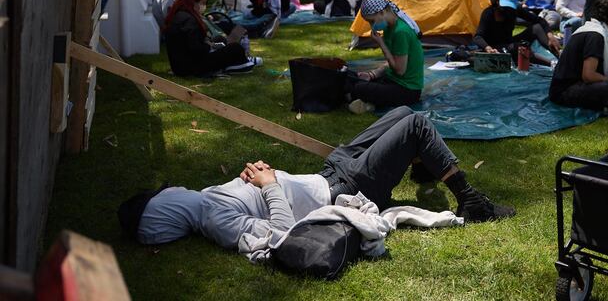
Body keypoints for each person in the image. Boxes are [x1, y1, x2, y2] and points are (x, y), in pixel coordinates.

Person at [118, 107, 516, 257]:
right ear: (166, 210)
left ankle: (426, 168)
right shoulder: (213, 220)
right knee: (415, 125)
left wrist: (255, 178)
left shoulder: (206, 200)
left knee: (400, 112)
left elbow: (257, 198)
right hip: (346, 189)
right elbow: (279, 234)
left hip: (331, 173)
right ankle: (471, 201)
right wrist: (270, 184)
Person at [347, 0, 424, 113]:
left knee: (359, 87)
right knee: (352, 76)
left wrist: (381, 43)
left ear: (382, 12)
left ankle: (365, 102)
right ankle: (367, 101)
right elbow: (392, 62)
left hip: (407, 91)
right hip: (393, 80)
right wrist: (372, 75)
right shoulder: (389, 27)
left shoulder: (400, 32)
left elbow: (400, 70)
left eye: (372, 21)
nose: (372, 26)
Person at [164, 0, 259, 76]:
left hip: (181, 65)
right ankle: (241, 61)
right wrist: (210, 47)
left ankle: (240, 60)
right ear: (194, 3)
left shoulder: (179, 15)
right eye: (202, 3)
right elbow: (197, 49)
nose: (204, 6)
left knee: (220, 39)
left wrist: (210, 45)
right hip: (191, 66)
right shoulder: (190, 20)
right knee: (235, 48)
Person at [473, 0, 561, 62]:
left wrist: (550, 36)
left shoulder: (514, 10)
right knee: (518, 47)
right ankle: (550, 63)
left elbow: (539, 20)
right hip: (494, 48)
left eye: (509, 6)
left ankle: (559, 56)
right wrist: (487, 48)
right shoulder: (488, 13)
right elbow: (478, 37)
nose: (506, 9)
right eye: (504, 6)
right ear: (497, 2)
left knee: (536, 28)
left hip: (509, 42)